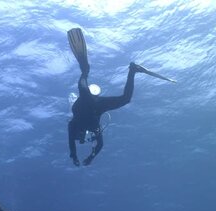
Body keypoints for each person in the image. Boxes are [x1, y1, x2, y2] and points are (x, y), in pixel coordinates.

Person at [66, 28, 175, 166]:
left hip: (86, 101)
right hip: (94, 104)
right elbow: (97, 145)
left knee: (123, 98)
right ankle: (131, 70)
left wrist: (79, 157)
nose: (82, 137)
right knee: (124, 98)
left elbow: (75, 142)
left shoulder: (74, 125)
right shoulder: (92, 128)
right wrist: (88, 156)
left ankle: (89, 69)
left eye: (81, 137)